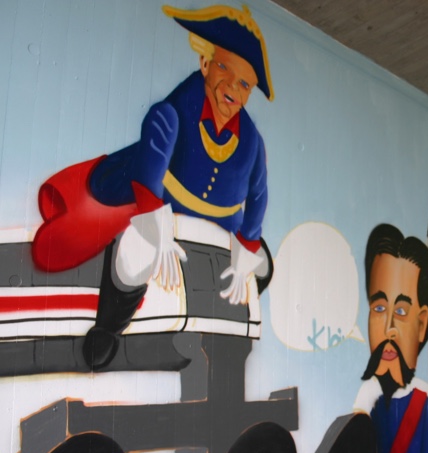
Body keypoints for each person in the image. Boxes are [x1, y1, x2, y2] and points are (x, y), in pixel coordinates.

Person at [32, 5, 274, 369]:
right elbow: (149, 172)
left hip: (221, 218)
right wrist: (156, 225)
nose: (233, 89)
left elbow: (258, 194)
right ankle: (108, 329)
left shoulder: (252, 141)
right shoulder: (172, 112)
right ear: (206, 64)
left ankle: (222, 312)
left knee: (263, 267)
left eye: (244, 84)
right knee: (136, 251)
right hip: (159, 199)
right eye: (225, 69)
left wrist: (247, 248)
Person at [353, 223, 428, 453]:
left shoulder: (425, 403)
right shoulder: (364, 401)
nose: (389, 329)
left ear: (422, 323)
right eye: (379, 308)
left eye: (401, 311)